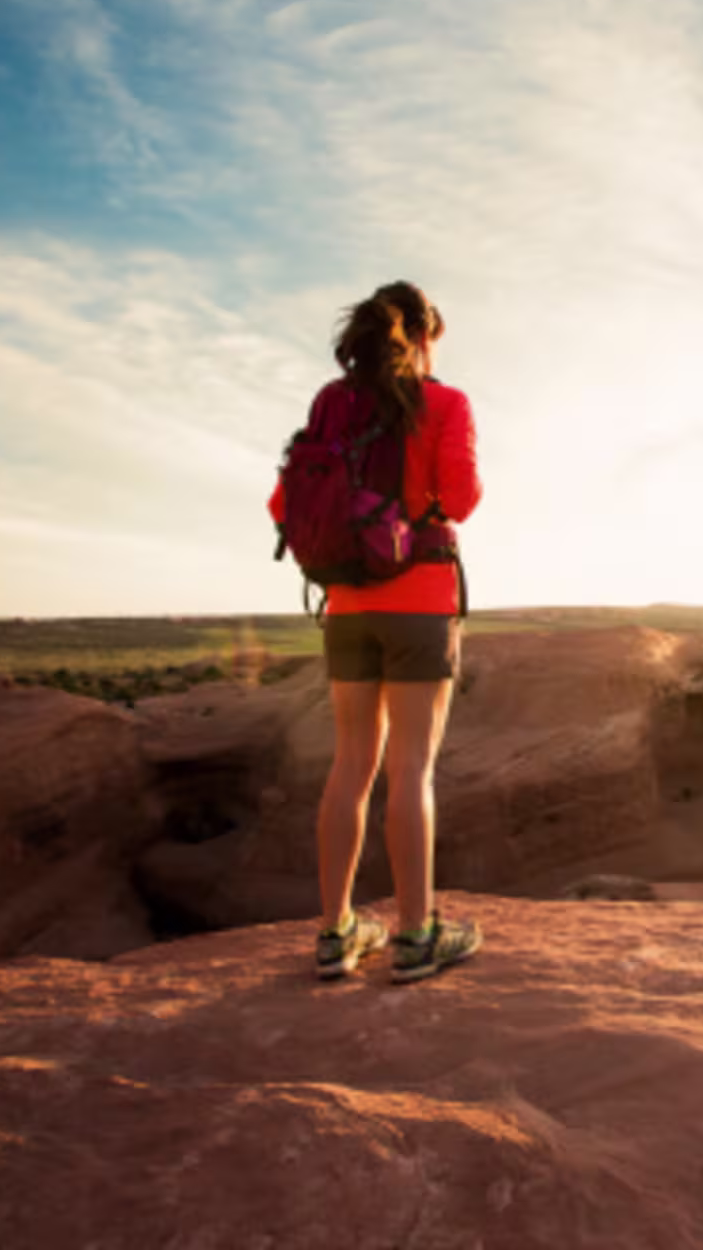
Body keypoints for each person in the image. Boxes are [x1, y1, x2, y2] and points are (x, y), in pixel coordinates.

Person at [269, 281, 483, 983]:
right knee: (412, 768)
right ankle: (417, 938)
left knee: (350, 767)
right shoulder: (445, 402)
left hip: (348, 607)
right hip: (419, 602)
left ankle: (337, 933)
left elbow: (283, 500)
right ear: (424, 339)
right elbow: (460, 498)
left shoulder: (332, 403)